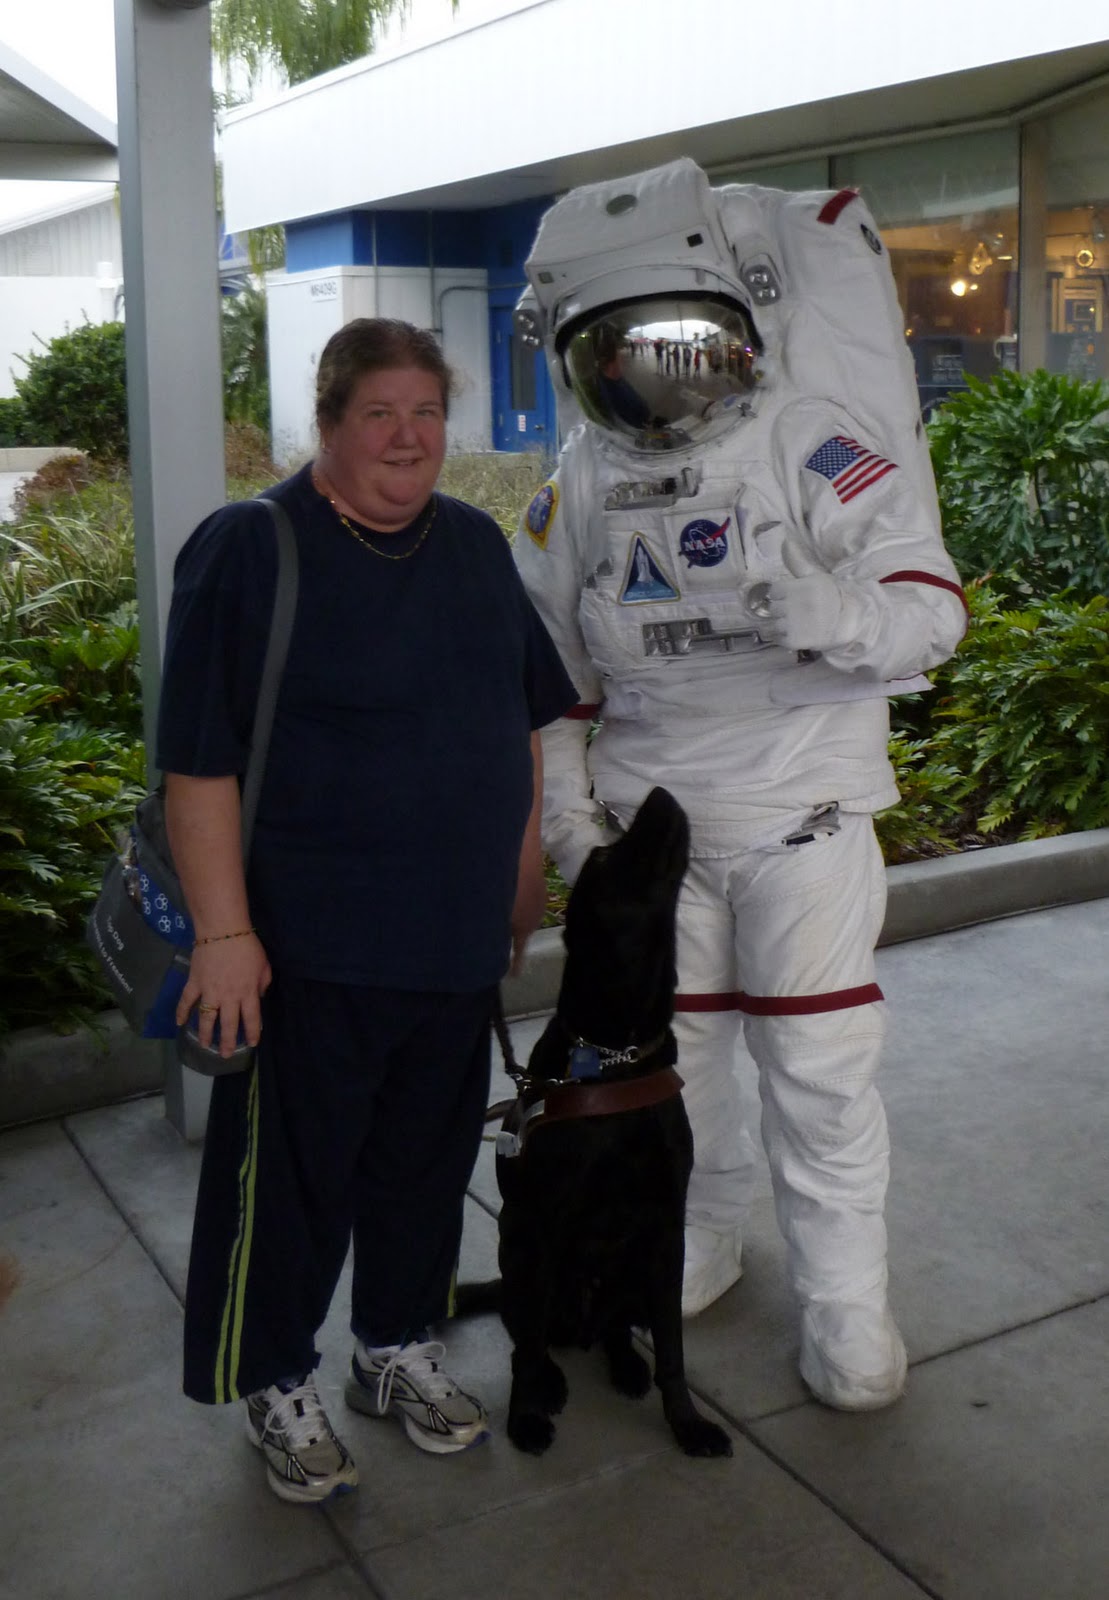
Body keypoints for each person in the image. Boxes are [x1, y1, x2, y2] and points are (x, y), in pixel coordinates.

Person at [513, 160, 967, 1411]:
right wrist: (570, 822)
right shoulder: (578, 482)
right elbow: (545, 673)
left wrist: (840, 615)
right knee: (683, 1062)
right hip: (653, 836)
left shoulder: (809, 441)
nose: (648, 382)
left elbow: (930, 608)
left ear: (734, 328)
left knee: (816, 1069)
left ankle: (845, 1303)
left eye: (676, 346)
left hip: (797, 816)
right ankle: (700, 1234)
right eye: (612, 355)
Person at [157, 317, 577, 1503]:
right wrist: (225, 936)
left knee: (423, 1166)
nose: (408, 437)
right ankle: (273, 1376)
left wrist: (521, 866)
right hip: (308, 946)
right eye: (380, 413)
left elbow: (517, 719)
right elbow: (198, 763)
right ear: (329, 423)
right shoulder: (252, 547)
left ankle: (393, 1344)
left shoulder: (473, 545)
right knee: (290, 1184)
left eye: (426, 412)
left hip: (451, 939)